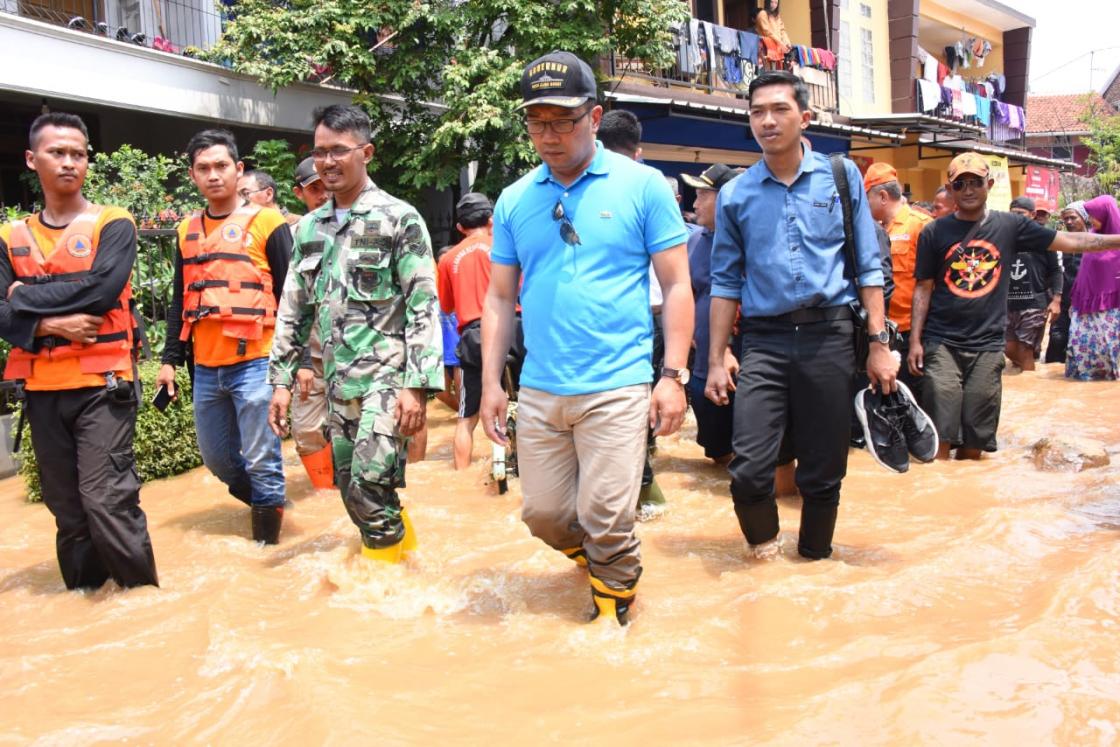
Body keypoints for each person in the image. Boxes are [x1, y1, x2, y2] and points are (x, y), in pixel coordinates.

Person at [480, 51, 693, 625]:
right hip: (542, 386)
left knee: (607, 514)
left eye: (563, 121)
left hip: (618, 383)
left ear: (595, 118)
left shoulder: (644, 186)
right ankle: (599, 561)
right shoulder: (516, 198)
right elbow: (500, 297)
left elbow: (677, 286)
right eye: (537, 122)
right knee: (543, 515)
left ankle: (611, 619)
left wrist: (673, 376)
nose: (548, 135)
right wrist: (491, 386)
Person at [706, 70, 896, 561]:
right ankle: (764, 555)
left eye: (779, 109)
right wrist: (716, 355)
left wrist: (879, 344)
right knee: (748, 469)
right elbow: (725, 282)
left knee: (823, 469)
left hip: (830, 335)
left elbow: (868, 266)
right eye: (757, 112)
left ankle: (814, 562)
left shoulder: (841, 175)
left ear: (804, 117)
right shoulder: (736, 195)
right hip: (764, 342)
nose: (767, 121)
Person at [268, 104, 443, 563]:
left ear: (366, 152)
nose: (327, 161)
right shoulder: (308, 227)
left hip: (388, 377)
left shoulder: (399, 219)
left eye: (339, 151)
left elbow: (424, 304)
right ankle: (410, 563)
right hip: (339, 381)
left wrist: (418, 386)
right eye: (320, 152)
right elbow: (293, 308)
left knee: (368, 482)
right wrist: (281, 382)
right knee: (350, 489)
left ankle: (381, 592)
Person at [0, 112, 158, 589]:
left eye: (79, 154)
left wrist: (22, 297)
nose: (70, 162)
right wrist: (49, 322)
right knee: (66, 509)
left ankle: (142, 601)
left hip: (102, 388)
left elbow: (101, 292)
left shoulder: (114, 223)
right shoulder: (9, 237)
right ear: (32, 159)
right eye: (57, 153)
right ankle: (85, 600)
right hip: (42, 392)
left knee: (107, 501)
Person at [908, 154, 1120, 459]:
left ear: (989, 185)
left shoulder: (1010, 225)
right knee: (939, 435)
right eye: (960, 184)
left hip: (989, 343)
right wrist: (916, 340)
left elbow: (1072, 242)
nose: (968, 190)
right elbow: (923, 288)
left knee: (975, 441)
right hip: (942, 342)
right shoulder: (933, 232)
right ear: (950, 188)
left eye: (975, 183)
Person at [157, 128, 291, 544]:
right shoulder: (185, 231)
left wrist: (291, 367)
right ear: (193, 175)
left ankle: (268, 549)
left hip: (257, 360)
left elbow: (291, 297)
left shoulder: (268, 222)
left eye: (220, 166)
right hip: (207, 366)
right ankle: (273, 506)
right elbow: (181, 298)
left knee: (261, 457)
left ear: (238, 169)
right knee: (217, 460)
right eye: (203, 168)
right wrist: (169, 360)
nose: (213, 175)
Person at [597, 108, 670, 511]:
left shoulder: (584, 192)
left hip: (614, 325)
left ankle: (638, 484)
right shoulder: (651, 187)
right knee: (641, 407)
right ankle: (643, 483)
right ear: (638, 150)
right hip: (654, 321)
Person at [681, 163, 741, 465]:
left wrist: (728, 346)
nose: (695, 203)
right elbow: (688, 291)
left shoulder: (749, 241)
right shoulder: (695, 240)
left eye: (703, 195)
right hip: (703, 362)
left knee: (749, 456)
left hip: (739, 363)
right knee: (716, 453)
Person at [437, 192, 497, 470]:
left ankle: (460, 476)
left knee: (465, 419)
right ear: (491, 220)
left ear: (460, 228)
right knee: (530, 407)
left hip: (473, 336)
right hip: (512, 331)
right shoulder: (503, 247)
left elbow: (447, 305)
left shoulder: (448, 259)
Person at [284, 156, 334, 488]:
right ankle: (325, 494)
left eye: (325, 185)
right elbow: (289, 304)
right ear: (299, 193)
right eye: (313, 188)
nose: (323, 193)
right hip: (310, 357)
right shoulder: (292, 235)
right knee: (306, 430)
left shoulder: (361, 224)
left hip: (358, 354)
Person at [865, 162, 932, 392]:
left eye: (867, 198)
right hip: (882, 333)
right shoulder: (871, 231)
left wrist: (918, 339)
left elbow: (932, 285)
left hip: (912, 333)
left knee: (914, 401)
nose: (864, 205)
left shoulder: (921, 226)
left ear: (882, 196)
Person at [1065, 195, 1120, 380]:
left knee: (1111, 354)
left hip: (1111, 315)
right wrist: (1074, 303)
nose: (1089, 219)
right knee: (1084, 359)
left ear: (1106, 214)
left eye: (1092, 215)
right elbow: (1084, 277)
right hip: (1086, 312)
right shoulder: (1092, 240)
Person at [1005, 196, 1062, 372]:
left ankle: (1029, 384)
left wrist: (1056, 300)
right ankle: (1024, 383)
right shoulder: (1004, 237)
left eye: (1020, 214)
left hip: (1034, 303)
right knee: (1007, 348)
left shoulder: (1043, 238)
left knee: (1025, 350)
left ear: (1032, 214)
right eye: (1012, 214)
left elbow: (1056, 270)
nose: (1016, 218)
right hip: (1007, 304)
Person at [1045, 202, 1089, 363]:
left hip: (1086, 305)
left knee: (1083, 350)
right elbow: (1052, 271)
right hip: (1062, 302)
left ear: (1084, 218)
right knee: (1056, 342)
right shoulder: (1060, 241)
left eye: (1073, 218)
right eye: (1066, 219)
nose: (1069, 222)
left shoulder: (1096, 241)